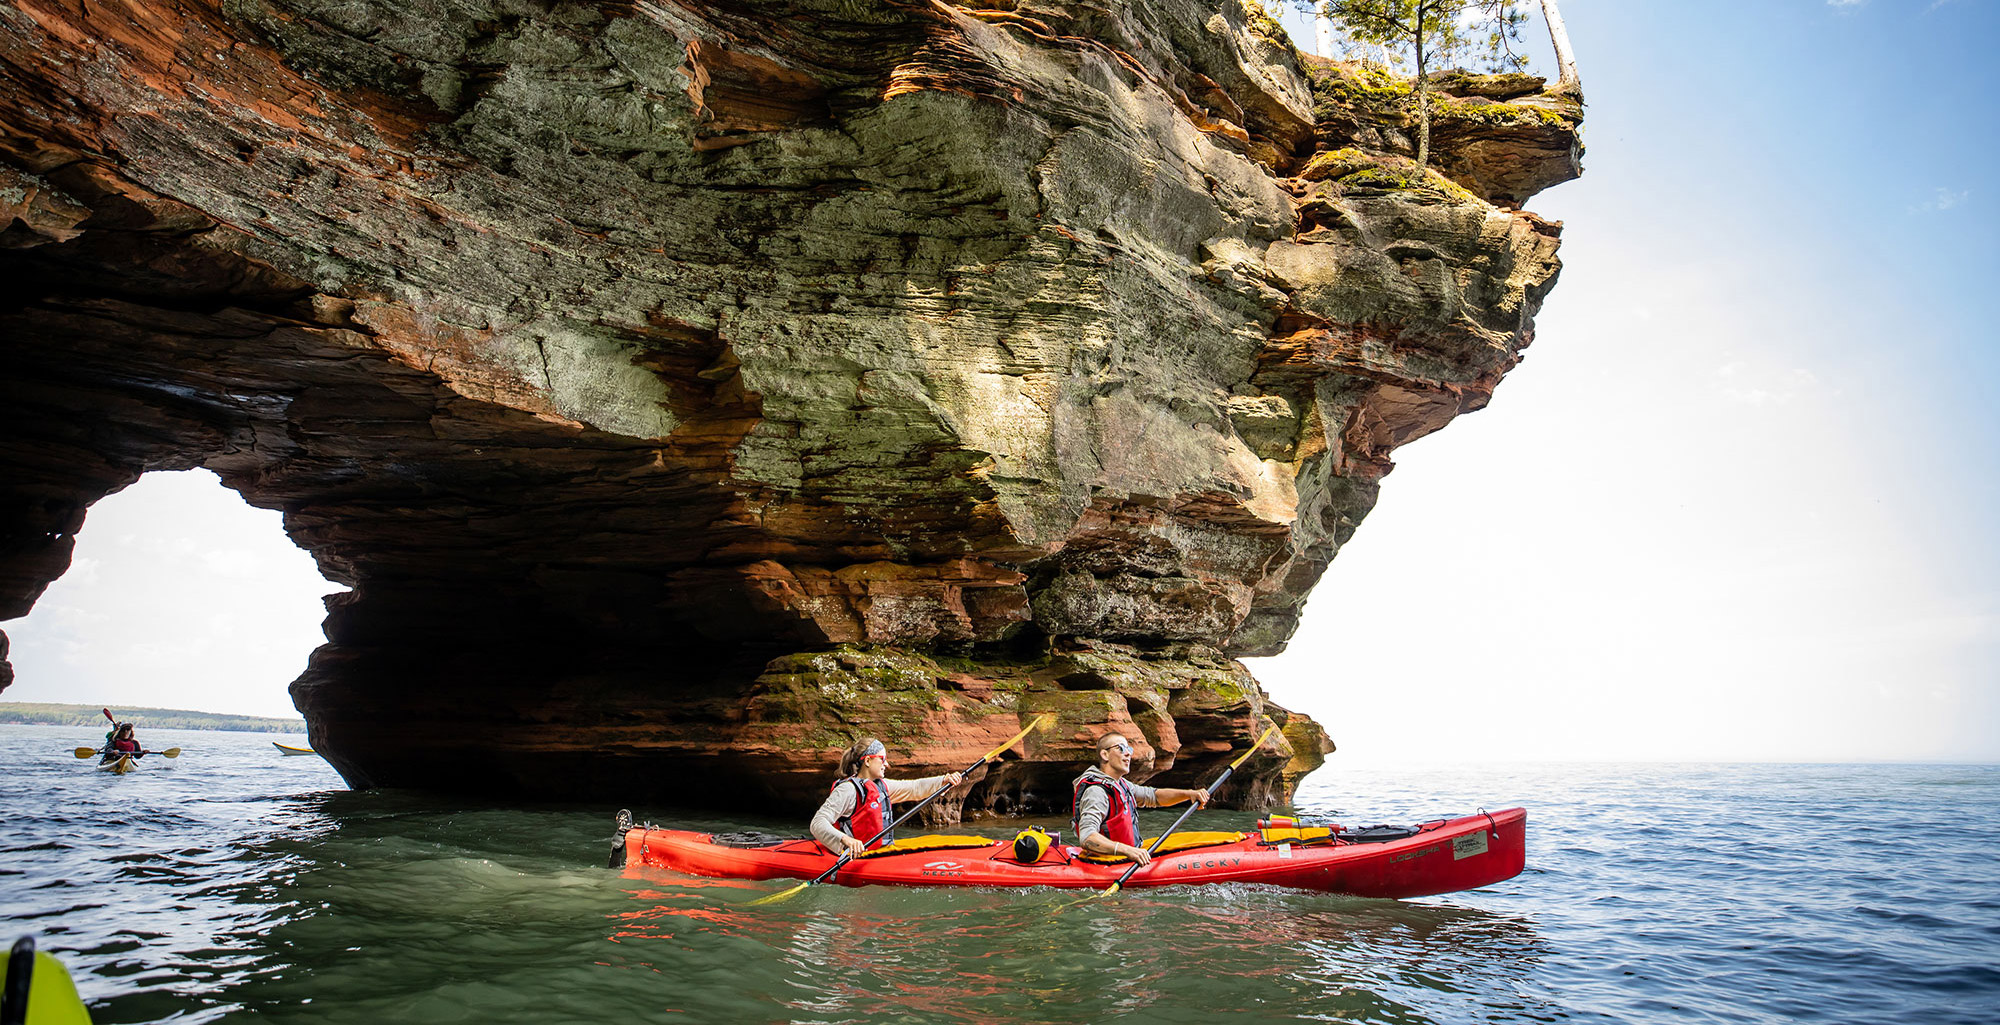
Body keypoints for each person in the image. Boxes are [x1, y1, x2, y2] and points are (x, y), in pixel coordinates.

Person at [1071, 732, 1210, 866]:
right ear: (1105, 755)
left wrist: (1189, 794)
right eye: (1121, 748)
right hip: (1109, 862)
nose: (1128, 754)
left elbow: (1154, 796)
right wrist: (1128, 851)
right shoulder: (1096, 792)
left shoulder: (1122, 785)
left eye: (1129, 749)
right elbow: (1087, 837)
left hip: (1126, 856)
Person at [809, 738, 964, 857]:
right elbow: (818, 823)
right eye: (882, 759)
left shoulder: (881, 786)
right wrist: (845, 840)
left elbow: (914, 788)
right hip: (851, 855)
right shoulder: (847, 790)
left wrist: (944, 780)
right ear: (868, 761)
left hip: (877, 853)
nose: (887, 764)